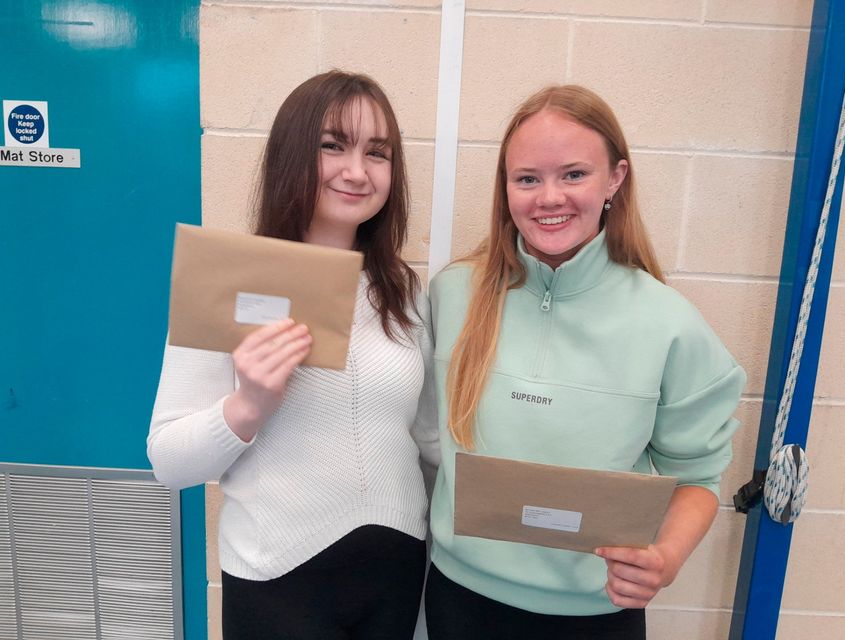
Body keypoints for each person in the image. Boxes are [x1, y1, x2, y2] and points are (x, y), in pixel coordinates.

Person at [424, 85, 746, 639]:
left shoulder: (670, 324)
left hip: (596, 618)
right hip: (461, 602)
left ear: (615, 179)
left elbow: (696, 476)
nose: (549, 197)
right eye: (528, 178)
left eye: (573, 174)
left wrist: (664, 559)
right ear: (506, 189)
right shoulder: (453, 295)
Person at [147, 71, 438, 640]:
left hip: (396, 575)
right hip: (277, 582)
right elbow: (168, 463)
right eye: (333, 145)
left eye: (377, 153)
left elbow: (425, 439)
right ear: (292, 154)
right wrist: (248, 406)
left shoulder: (403, 290)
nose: (357, 171)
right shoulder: (227, 280)